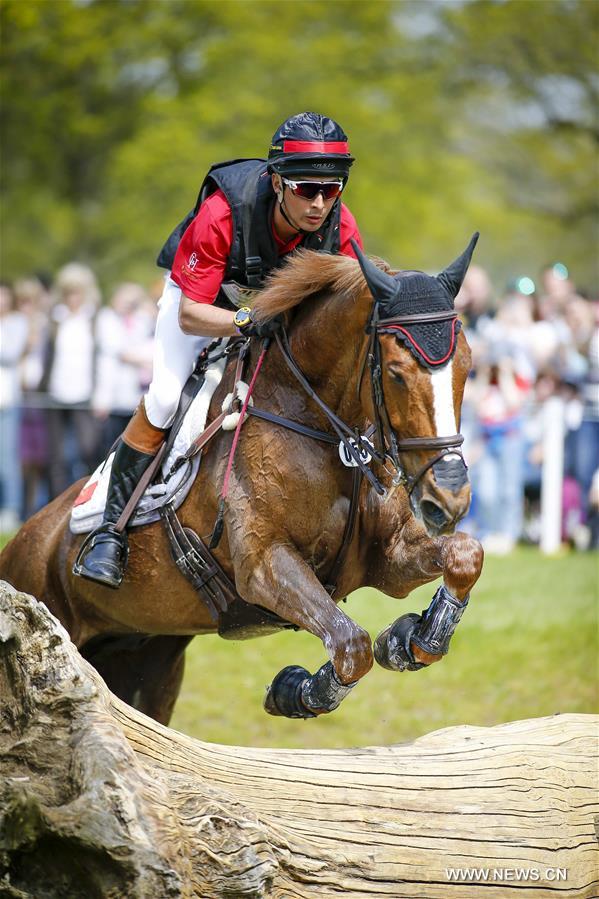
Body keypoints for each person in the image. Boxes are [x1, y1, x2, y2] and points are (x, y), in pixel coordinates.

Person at [74, 112, 363, 588]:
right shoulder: (222, 213)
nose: (319, 204)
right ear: (276, 181)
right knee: (167, 397)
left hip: (269, 315)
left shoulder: (340, 226)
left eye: (331, 190)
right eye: (305, 189)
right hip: (204, 305)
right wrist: (247, 322)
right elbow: (190, 314)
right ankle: (109, 531)